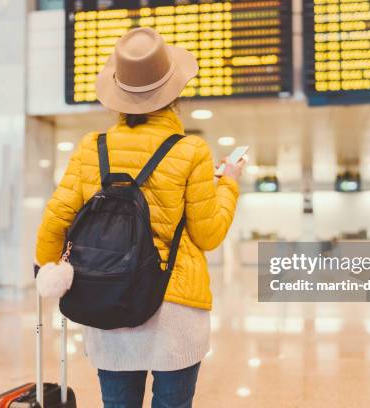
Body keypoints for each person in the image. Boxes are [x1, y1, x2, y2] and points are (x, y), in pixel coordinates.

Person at [35, 27, 243, 407]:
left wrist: (48, 271)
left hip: (107, 296)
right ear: (174, 93)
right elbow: (208, 233)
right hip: (175, 307)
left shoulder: (91, 149)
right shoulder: (190, 151)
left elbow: (56, 219)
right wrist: (227, 184)